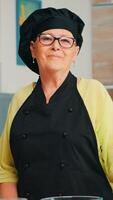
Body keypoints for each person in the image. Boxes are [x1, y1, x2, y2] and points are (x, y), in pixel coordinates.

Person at [0, 7, 113, 200]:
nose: (56, 46)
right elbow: (7, 169)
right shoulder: (20, 98)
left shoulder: (94, 92)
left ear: (75, 52)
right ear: (32, 49)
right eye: (46, 38)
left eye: (65, 40)